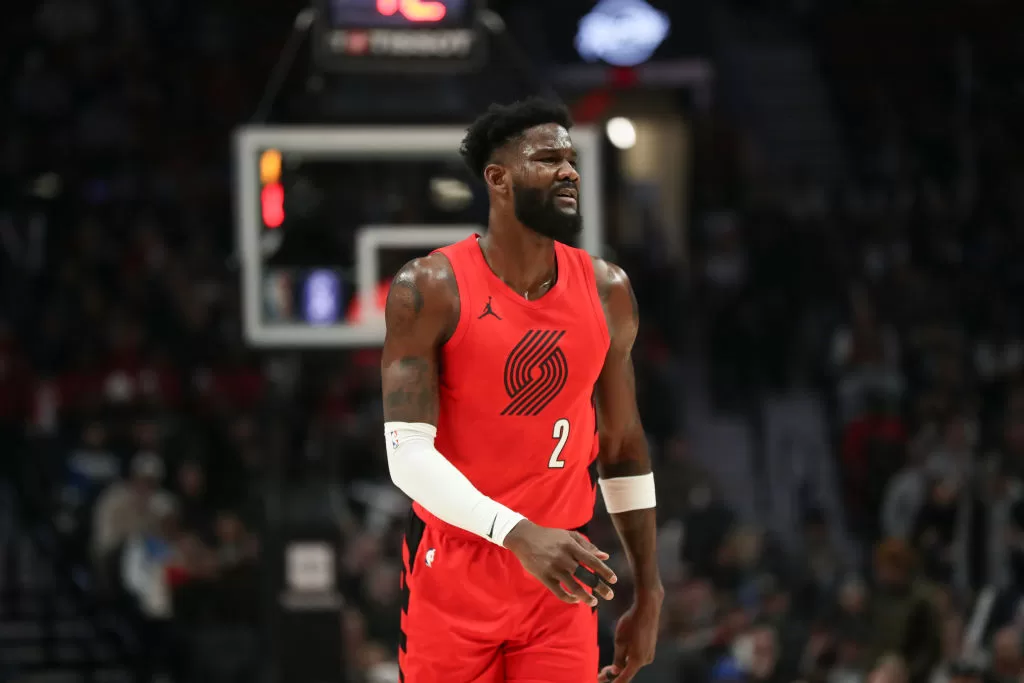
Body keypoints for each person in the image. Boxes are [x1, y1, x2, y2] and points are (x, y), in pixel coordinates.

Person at [381, 98, 663, 683]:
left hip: (561, 577)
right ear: (498, 178)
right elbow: (407, 455)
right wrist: (517, 534)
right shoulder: (430, 286)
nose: (570, 171)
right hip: (457, 566)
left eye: (572, 159)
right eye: (548, 158)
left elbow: (622, 445)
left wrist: (650, 589)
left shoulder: (607, 291)